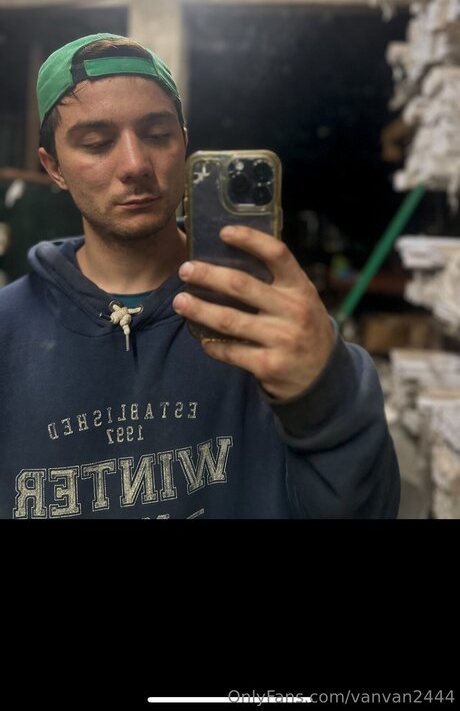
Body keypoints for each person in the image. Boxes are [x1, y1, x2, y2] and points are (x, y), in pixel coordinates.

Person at [0, 33, 400, 520]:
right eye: (97, 143)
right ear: (54, 168)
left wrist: (328, 392)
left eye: (157, 135)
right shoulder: (7, 332)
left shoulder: (267, 318)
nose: (135, 164)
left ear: (185, 143)